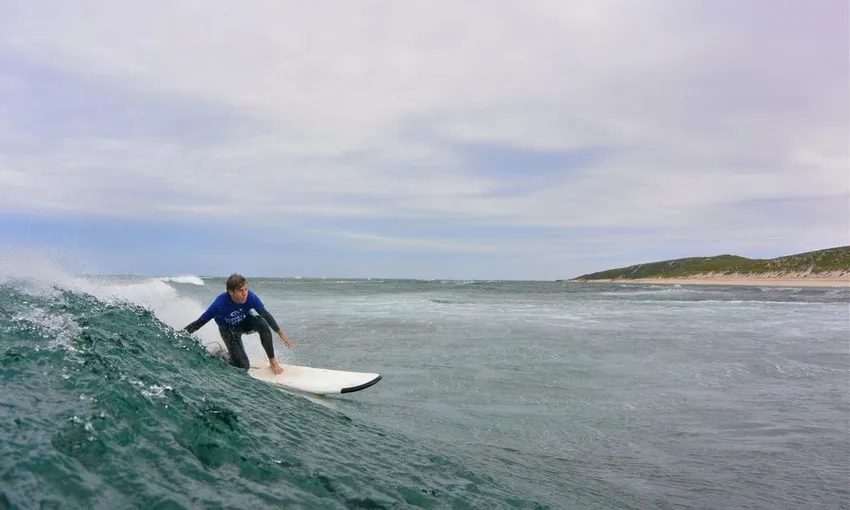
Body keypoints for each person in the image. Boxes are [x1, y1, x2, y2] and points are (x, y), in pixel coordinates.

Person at [183, 273, 294, 374]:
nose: (245, 294)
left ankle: (273, 362)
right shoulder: (219, 305)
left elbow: (265, 314)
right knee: (243, 366)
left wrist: (280, 332)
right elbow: (199, 323)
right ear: (231, 292)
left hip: (244, 323)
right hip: (228, 331)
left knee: (261, 323)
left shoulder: (251, 298)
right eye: (241, 290)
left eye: (246, 289)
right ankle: (220, 353)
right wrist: (180, 335)